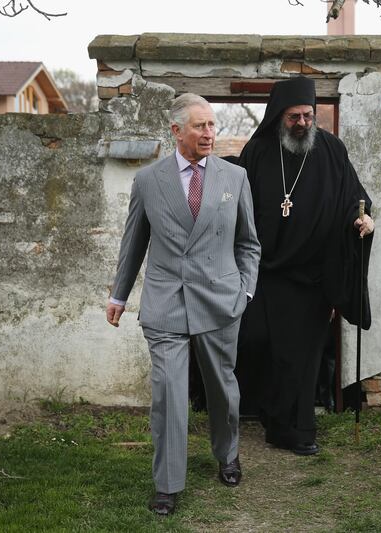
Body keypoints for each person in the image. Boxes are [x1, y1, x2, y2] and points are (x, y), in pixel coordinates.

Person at [106, 93, 260, 515]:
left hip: (220, 300)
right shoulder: (148, 181)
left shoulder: (235, 178)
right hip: (167, 301)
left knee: (221, 390)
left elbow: (249, 243)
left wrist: (244, 291)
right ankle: (167, 483)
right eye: (200, 126)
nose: (209, 133)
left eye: (212, 125)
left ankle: (227, 454)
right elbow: (133, 242)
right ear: (176, 131)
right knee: (169, 394)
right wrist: (119, 295)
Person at [236, 76, 374, 456]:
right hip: (266, 274)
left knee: (304, 356)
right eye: (295, 116)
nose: (303, 123)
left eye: (308, 116)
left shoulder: (331, 150)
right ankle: (269, 415)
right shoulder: (258, 151)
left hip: (314, 275)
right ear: (279, 116)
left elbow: (355, 199)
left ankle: (297, 431)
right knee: (262, 345)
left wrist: (363, 221)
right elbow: (238, 208)